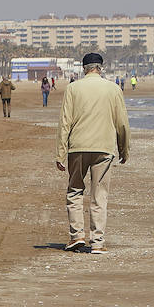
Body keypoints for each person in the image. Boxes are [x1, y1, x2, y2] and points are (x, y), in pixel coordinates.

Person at [56, 53, 130, 253]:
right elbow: (122, 122)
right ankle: (97, 242)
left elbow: (65, 122)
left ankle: (77, 236)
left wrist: (60, 153)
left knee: (75, 190)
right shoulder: (113, 89)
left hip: (78, 146)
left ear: (84, 68)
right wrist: (124, 148)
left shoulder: (73, 88)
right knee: (99, 195)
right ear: (101, 68)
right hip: (104, 148)